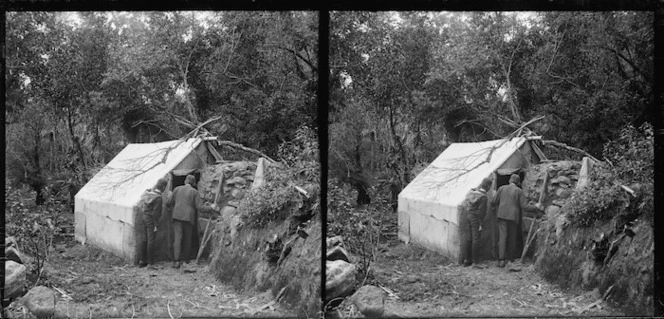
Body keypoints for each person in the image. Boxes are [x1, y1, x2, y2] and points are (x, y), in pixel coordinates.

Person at [491, 174, 543, 268]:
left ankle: (501, 260)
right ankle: (510, 259)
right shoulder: (519, 191)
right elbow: (524, 206)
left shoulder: (501, 188)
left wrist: (495, 195)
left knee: (502, 237)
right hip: (513, 217)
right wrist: (536, 207)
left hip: (502, 215)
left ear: (510, 180)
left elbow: (493, 202)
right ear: (518, 183)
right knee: (512, 237)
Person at [167, 175, 201, 269]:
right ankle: (185, 260)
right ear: (193, 183)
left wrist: (169, 196)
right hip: (189, 218)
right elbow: (199, 207)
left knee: (177, 239)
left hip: (177, 216)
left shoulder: (177, 189)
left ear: (185, 181)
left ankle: (176, 261)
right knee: (187, 239)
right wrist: (211, 208)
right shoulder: (195, 192)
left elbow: (169, 203)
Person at [460, 177, 492, 269]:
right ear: (489, 186)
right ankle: (475, 262)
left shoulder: (473, 193)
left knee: (469, 238)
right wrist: (481, 224)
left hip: (469, 216)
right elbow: (481, 212)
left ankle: (467, 260)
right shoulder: (483, 197)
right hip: (476, 219)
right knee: (476, 239)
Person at [136, 178, 168, 270]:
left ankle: (142, 261)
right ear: (163, 187)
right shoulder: (158, 198)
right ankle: (150, 263)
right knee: (151, 240)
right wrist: (156, 224)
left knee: (144, 239)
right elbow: (156, 213)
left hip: (144, 217)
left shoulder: (148, 194)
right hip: (151, 219)